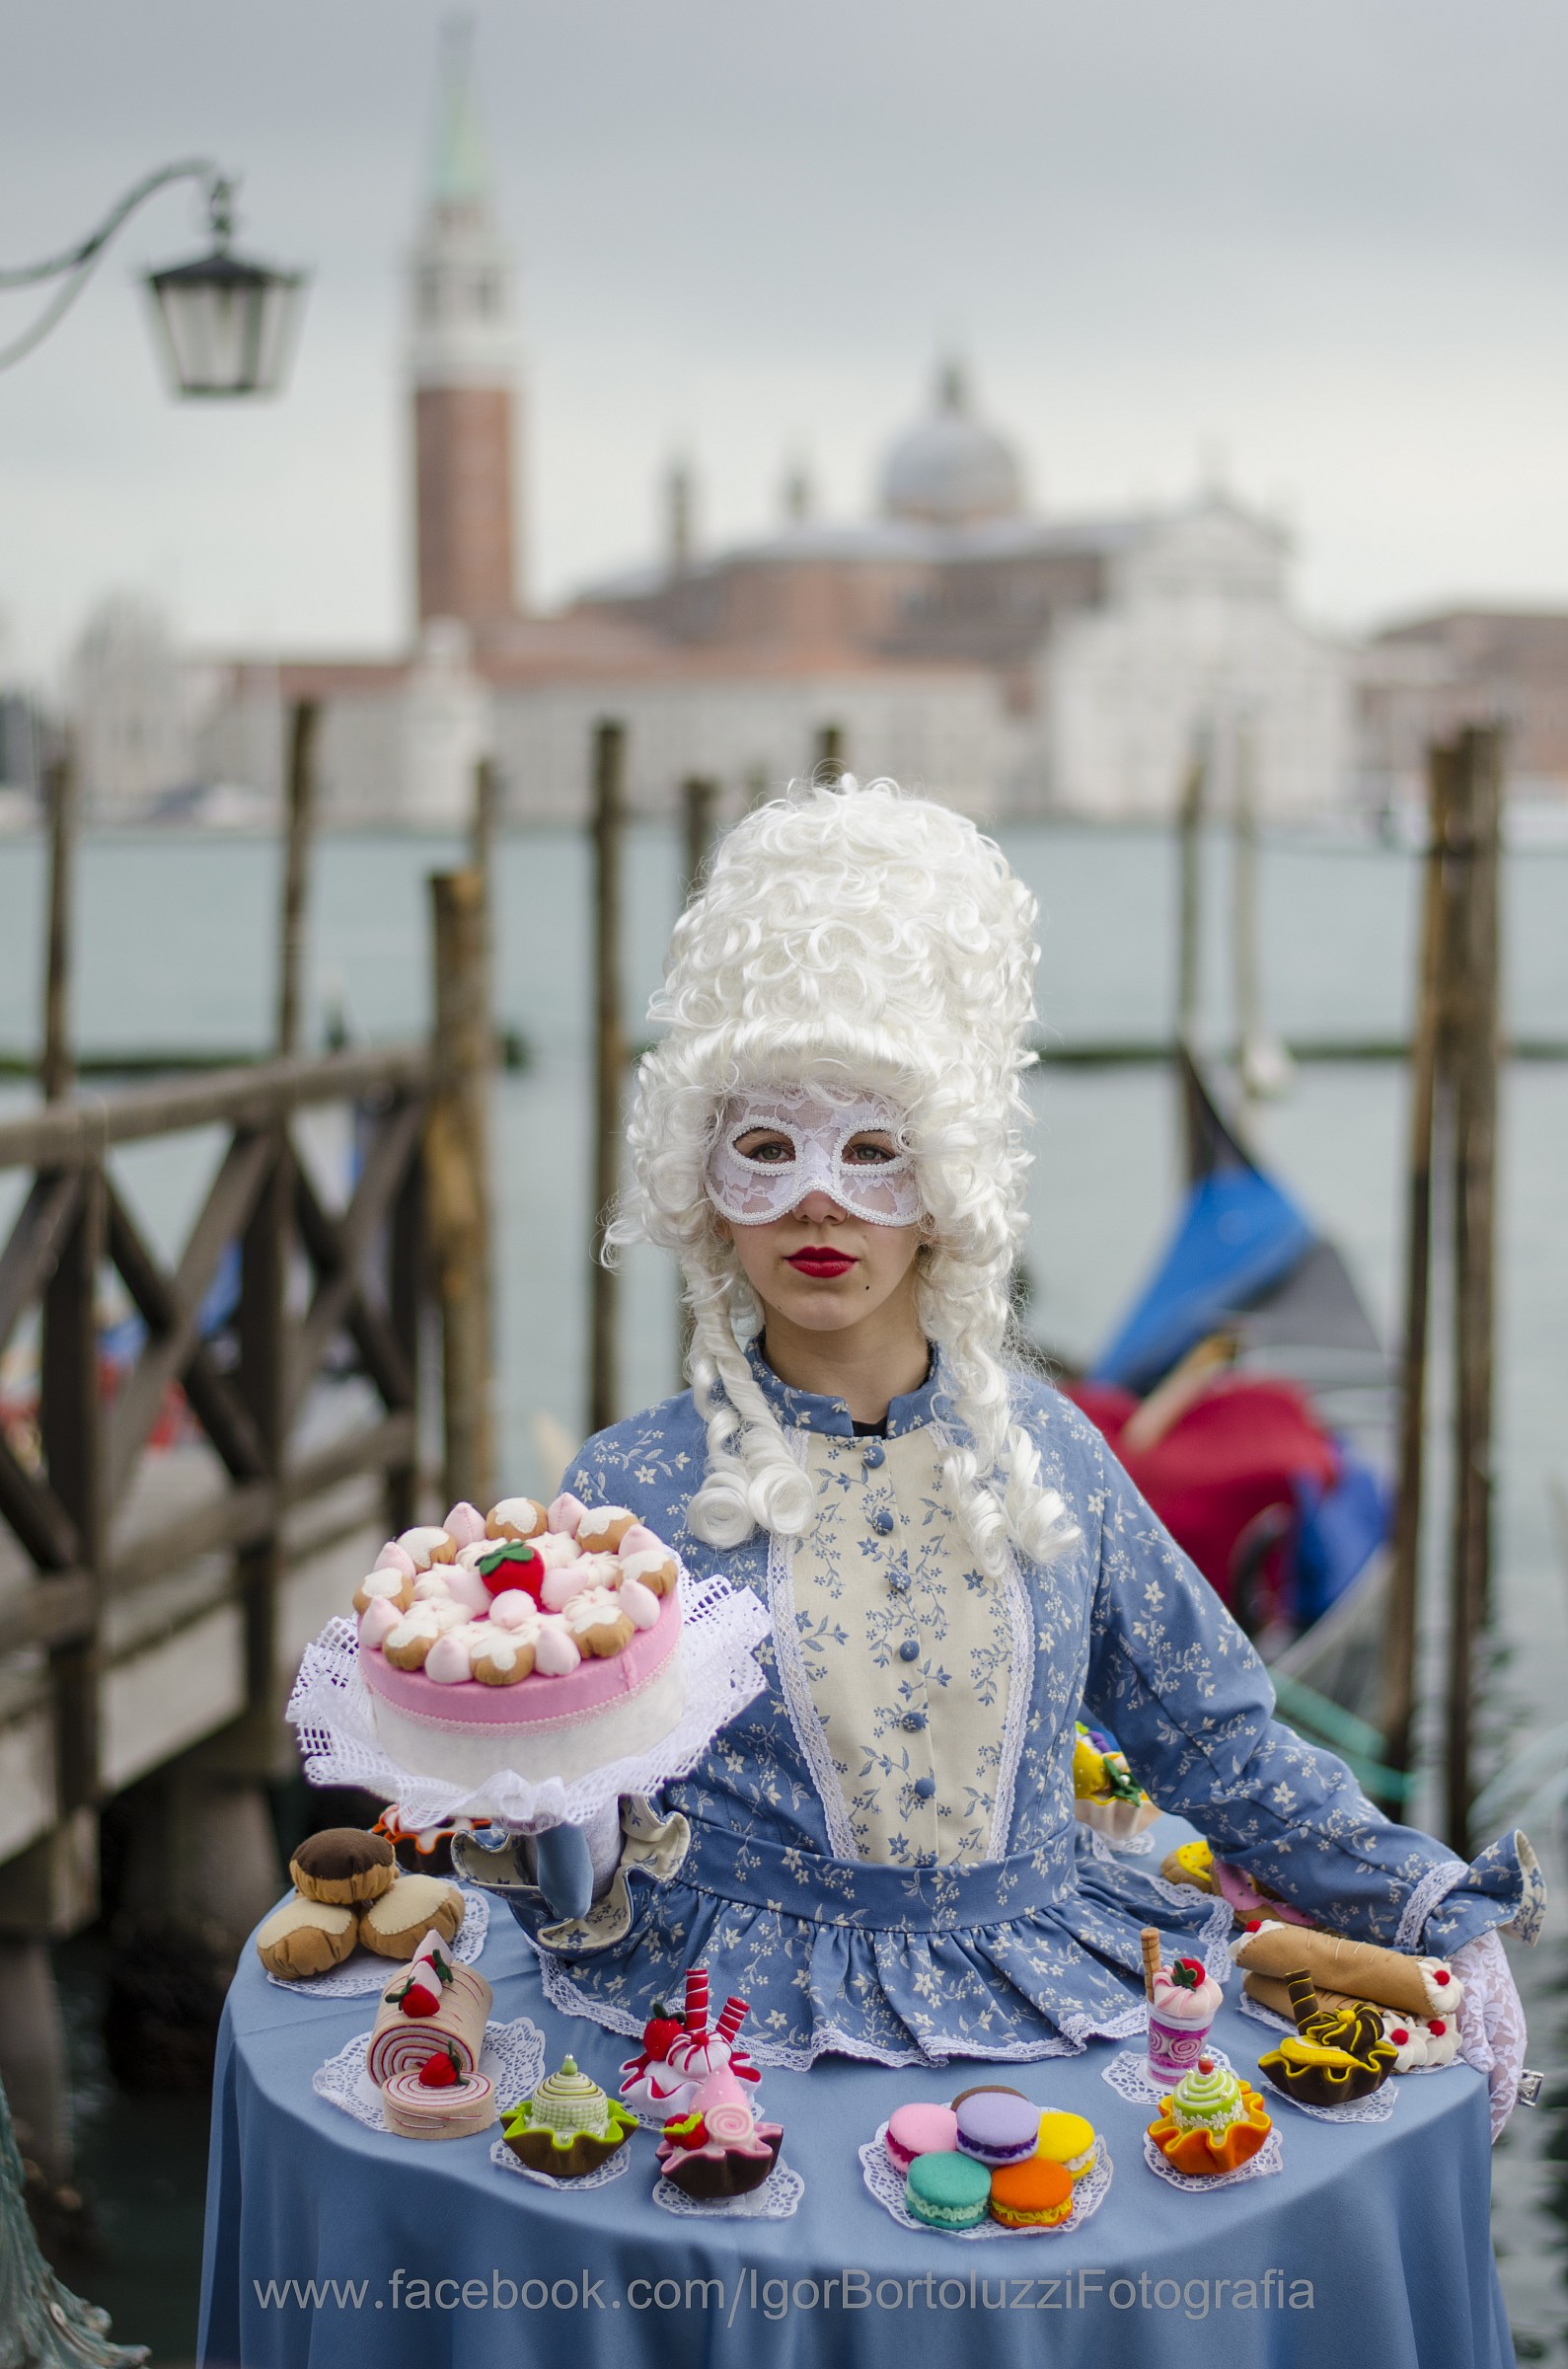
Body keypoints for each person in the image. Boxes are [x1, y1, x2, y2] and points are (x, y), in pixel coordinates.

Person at [480, 780, 1537, 2127]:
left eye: (875, 1149)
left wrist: (1422, 1902)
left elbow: (1216, 1744)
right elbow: (563, 1828)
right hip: (724, 2035)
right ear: (704, 1183)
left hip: (1061, 1989)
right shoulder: (624, 1490)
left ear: (947, 1184)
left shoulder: (1053, 1456)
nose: (819, 1198)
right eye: (767, 1147)